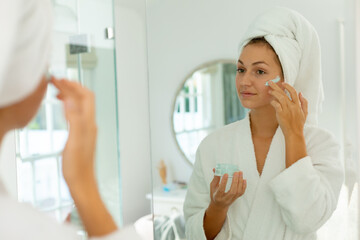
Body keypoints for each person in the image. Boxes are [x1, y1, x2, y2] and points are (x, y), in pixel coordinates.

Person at [183, 7, 344, 240]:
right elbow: (191, 232)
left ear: (287, 78)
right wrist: (218, 207)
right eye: (240, 69)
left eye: (259, 71)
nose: (244, 81)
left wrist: (294, 134)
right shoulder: (213, 145)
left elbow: (307, 220)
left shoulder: (320, 145)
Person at [0, 0, 141, 239]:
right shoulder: (24, 229)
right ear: (19, 75)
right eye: (45, 65)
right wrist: (84, 183)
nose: (49, 80)